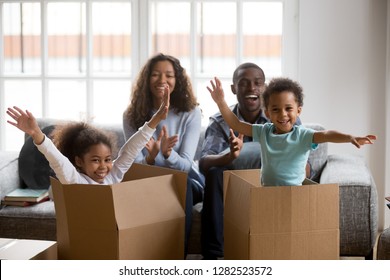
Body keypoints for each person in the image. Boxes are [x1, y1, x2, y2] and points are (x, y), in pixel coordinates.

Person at [199, 63, 303, 260]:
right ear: (233, 89)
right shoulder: (220, 121)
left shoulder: (284, 115)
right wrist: (229, 155)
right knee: (214, 173)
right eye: (243, 83)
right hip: (234, 187)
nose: (251, 88)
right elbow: (204, 163)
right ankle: (213, 257)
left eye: (257, 83)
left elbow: (305, 161)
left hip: (273, 182)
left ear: (265, 88)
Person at [207, 76, 376, 186]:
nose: (283, 114)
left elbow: (326, 135)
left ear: (298, 111)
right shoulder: (264, 132)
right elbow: (236, 124)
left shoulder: (302, 135)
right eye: (276, 109)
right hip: (268, 192)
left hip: (295, 193)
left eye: (288, 108)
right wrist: (221, 102)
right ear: (268, 113)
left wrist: (350, 137)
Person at [122, 53, 204, 255]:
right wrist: (151, 158)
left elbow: (185, 165)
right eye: (156, 75)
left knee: (180, 186)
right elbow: (135, 164)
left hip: (187, 181)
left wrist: (168, 155)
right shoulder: (132, 115)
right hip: (148, 181)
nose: (162, 80)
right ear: (146, 79)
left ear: (178, 80)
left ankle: (177, 260)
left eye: (169, 75)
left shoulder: (191, 113)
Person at [6, 89, 169, 185]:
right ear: (79, 161)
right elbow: (57, 160)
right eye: (96, 160)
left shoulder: (112, 177)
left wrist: (157, 119)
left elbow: (129, 151)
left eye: (107, 159)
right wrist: (36, 134)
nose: (103, 166)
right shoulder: (75, 180)